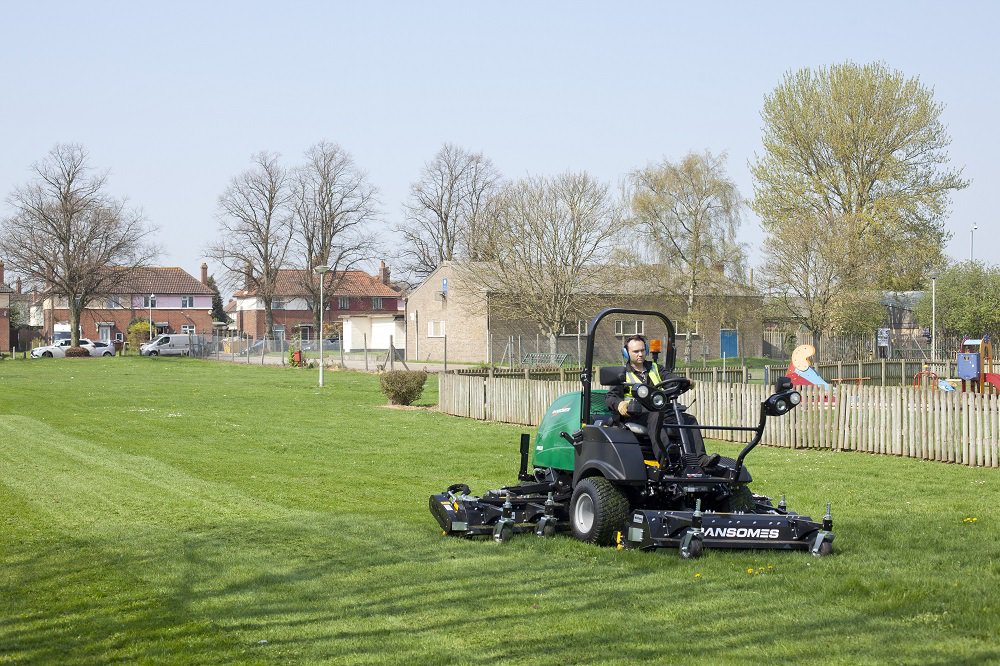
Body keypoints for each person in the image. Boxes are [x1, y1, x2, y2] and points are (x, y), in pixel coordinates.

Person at [605, 334, 710, 465]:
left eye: (642, 350)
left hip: (660, 411)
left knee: (689, 419)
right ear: (626, 353)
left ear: (647, 350)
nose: (640, 354)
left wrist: (685, 382)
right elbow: (611, 397)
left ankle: (701, 459)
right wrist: (620, 404)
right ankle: (666, 459)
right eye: (636, 351)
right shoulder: (622, 374)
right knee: (656, 416)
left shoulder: (656, 368)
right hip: (636, 413)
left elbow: (671, 379)